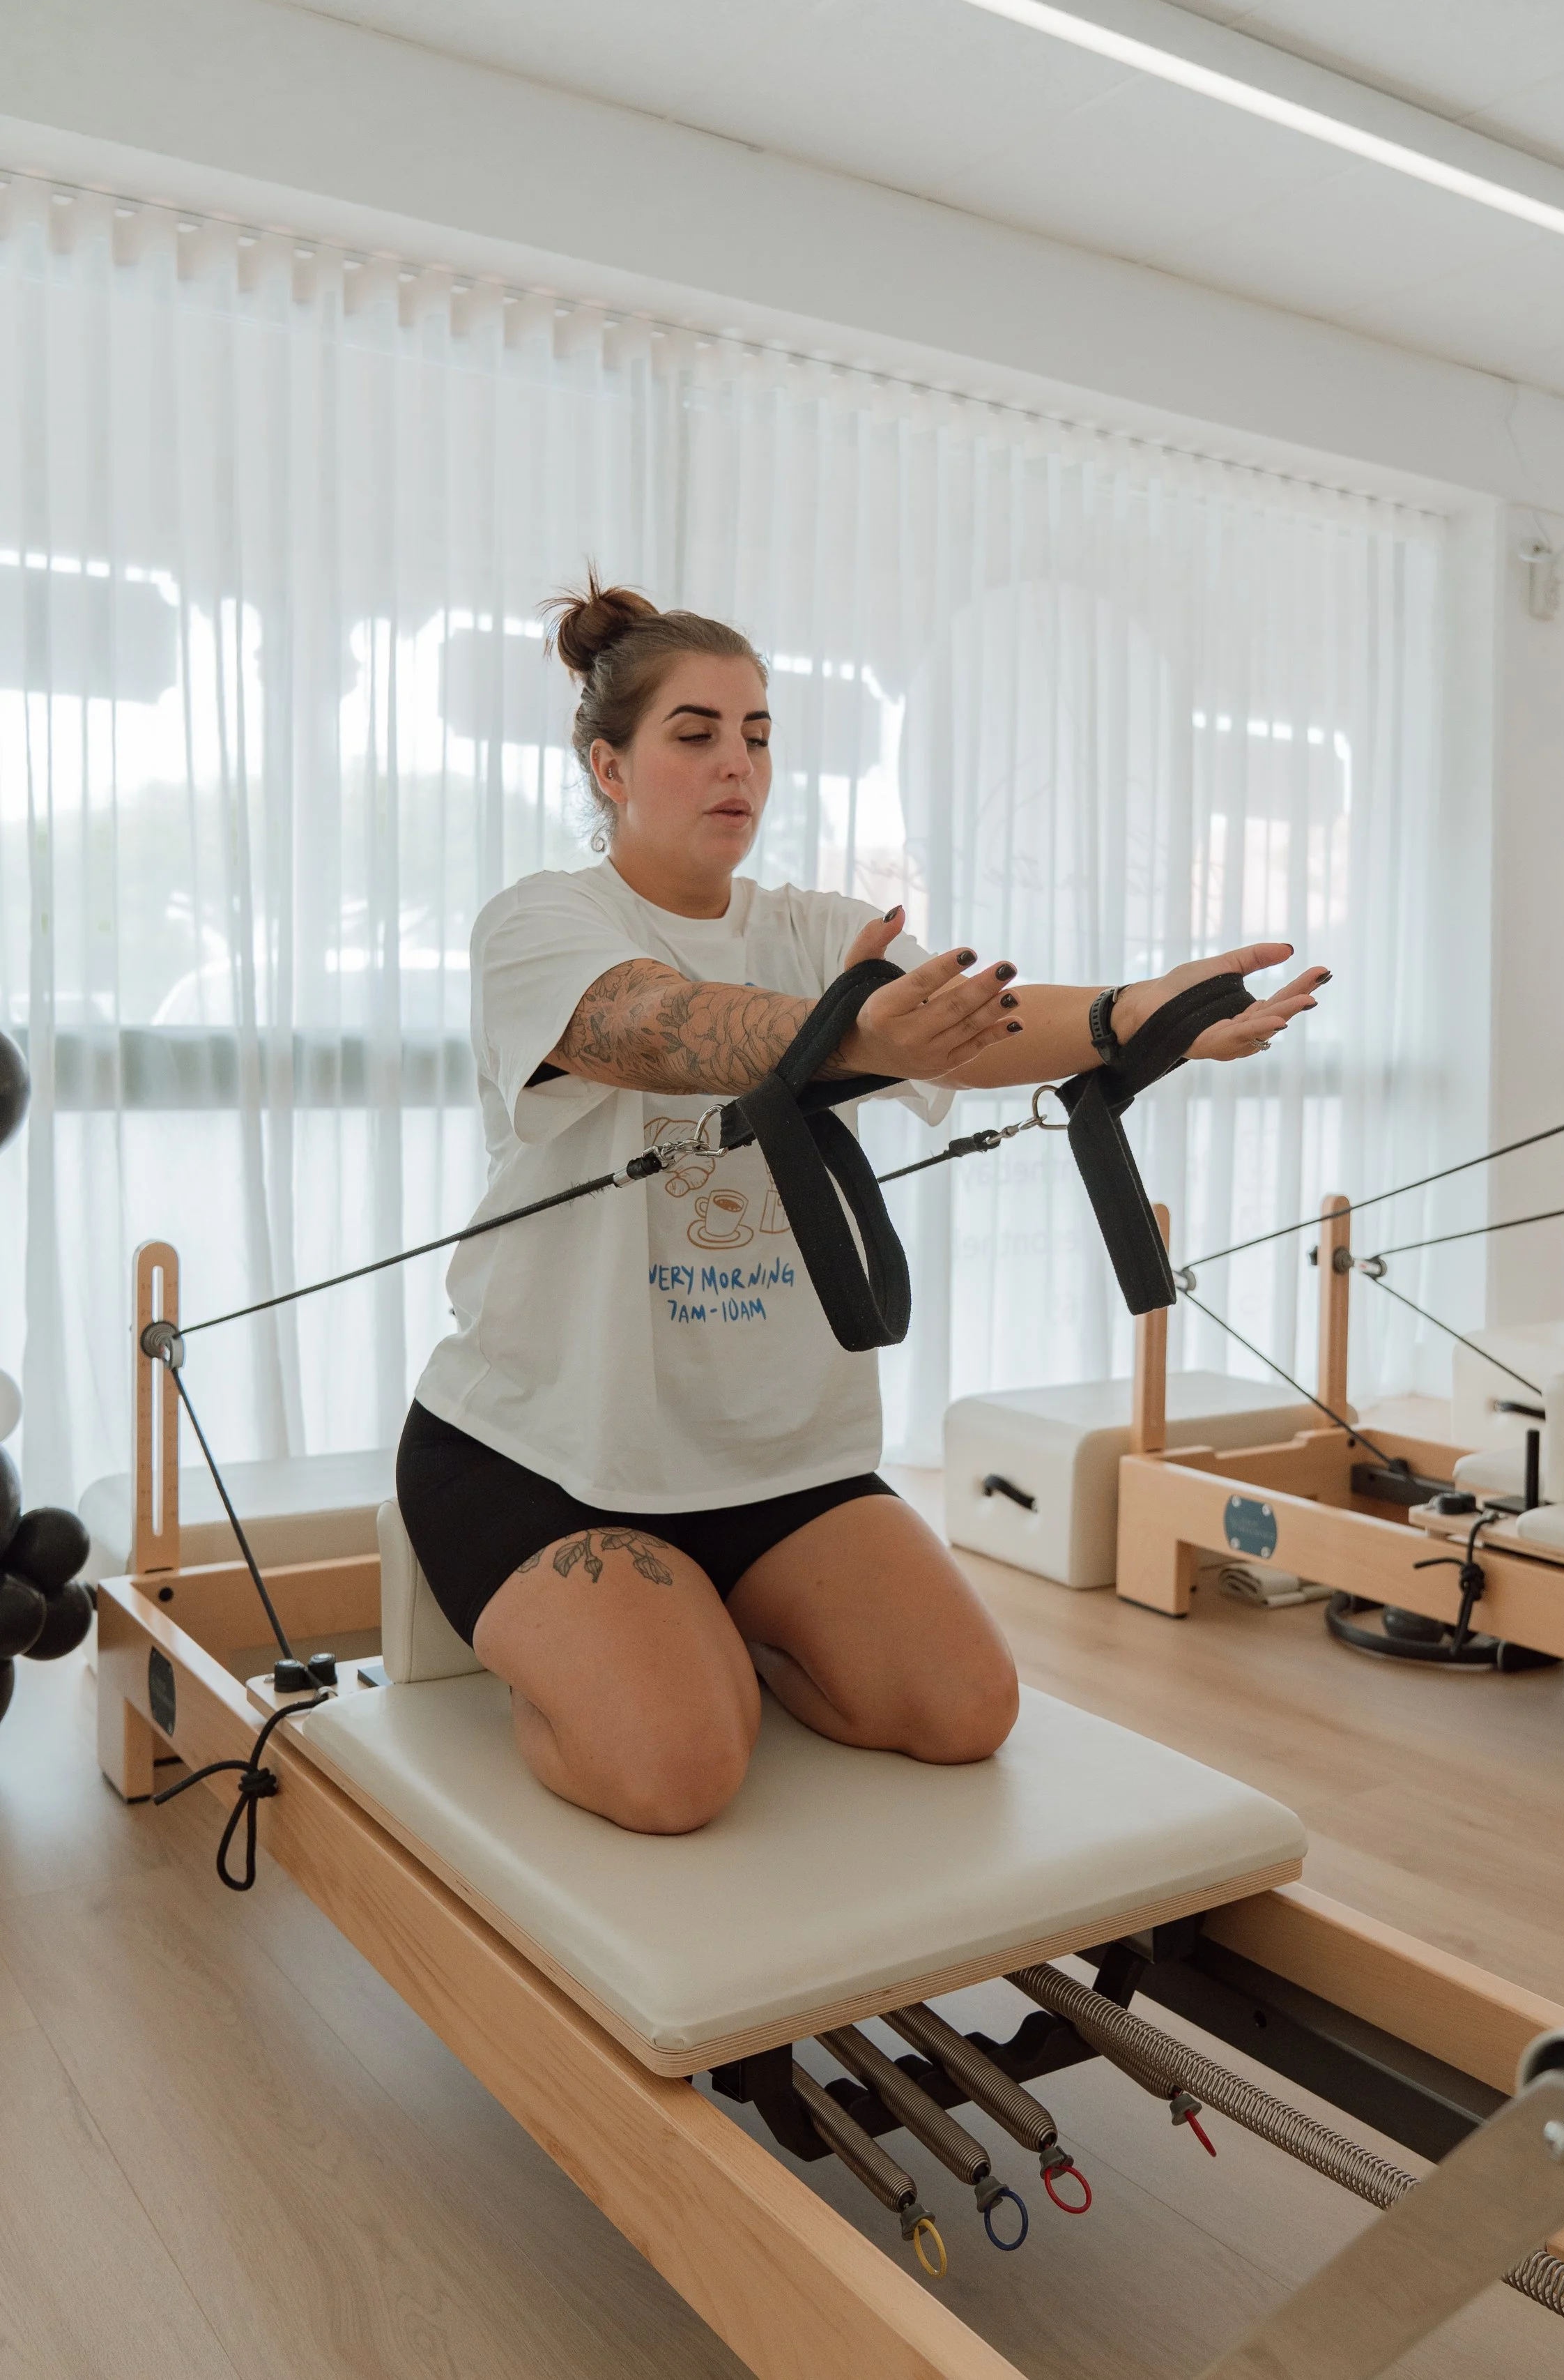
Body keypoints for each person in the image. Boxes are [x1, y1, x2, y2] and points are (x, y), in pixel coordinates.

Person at [398, 578, 1326, 1833]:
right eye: (696, 733)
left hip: (772, 1459)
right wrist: (851, 1033)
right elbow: (657, 1029)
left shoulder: (814, 930)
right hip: (545, 1453)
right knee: (679, 1771)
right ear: (609, 766)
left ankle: (706, 1630)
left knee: (964, 1709)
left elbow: (965, 1029)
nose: (740, 762)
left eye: (759, 732)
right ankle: (650, 1659)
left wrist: (1125, 1013)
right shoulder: (542, 924)